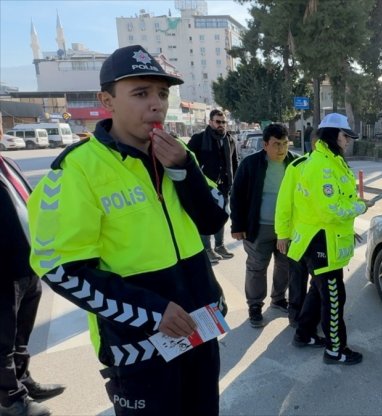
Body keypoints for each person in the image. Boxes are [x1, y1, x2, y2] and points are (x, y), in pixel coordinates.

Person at [27, 45, 229, 415]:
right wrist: (152, 311)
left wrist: (185, 172)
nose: (157, 104)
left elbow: (215, 220)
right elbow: (59, 268)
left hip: (200, 329)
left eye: (162, 94)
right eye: (140, 93)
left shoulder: (179, 154)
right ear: (107, 101)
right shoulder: (76, 171)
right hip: (141, 348)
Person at [284, 113, 372, 365]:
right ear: (333, 135)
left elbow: (342, 197)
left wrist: (355, 203)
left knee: (319, 291)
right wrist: (361, 208)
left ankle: (303, 334)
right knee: (334, 297)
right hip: (321, 242)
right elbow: (330, 210)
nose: (349, 141)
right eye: (346, 136)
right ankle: (336, 349)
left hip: (328, 240)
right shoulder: (321, 166)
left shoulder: (332, 161)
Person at [1, 154, 65, 416]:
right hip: (3, 268)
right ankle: (9, 400)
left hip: (28, 262)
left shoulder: (8, 162)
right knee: (2, 339)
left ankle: (22, 379)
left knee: (21, 334)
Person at [230, 124, 298, 328]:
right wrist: (237, 225)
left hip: (286, 229)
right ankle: (255, 306)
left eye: (285, 144)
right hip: (258, 227)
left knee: (285, 265)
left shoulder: (295, 163)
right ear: (266, 144)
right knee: (257, 267)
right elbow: (237, 195)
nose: (281, 149)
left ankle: (278, 299)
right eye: (277, 144)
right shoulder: (251, 164)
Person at [275, 134, 320, 327]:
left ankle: (311, 317)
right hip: (298, 237)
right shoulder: (297, 166)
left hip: (321, 238)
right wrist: (282, 234)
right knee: (297, 280)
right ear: (317, 144)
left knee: (318, 282)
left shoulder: (334, 168)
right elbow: (284, 203)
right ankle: (295, 316)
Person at [187, 109, 238, 264]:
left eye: (223, 122)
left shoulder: (229, 139)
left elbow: (234, 162)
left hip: (223, 187)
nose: (221, 125)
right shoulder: (199, 139)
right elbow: (188, 159)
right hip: (204, 187)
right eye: (218, 122)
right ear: (210, 122)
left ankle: (220, 246)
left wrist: (233, 182)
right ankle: (207, 250)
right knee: (205, 218)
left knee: (221, 216)